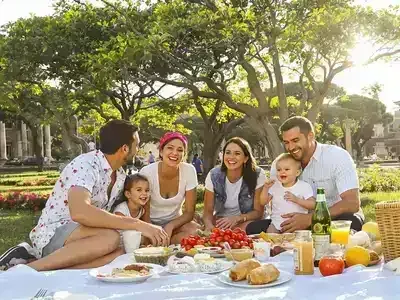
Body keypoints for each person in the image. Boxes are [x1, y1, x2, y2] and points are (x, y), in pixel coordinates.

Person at [0, 119, 168, 271]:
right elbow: (80, 212)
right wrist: (138, 225)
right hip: (54, 232)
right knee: (110, 238)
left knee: (118, 254)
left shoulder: (121, 175)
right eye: (137, 145)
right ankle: (26, 271)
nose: (137, 150)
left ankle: (47, 269)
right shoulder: (86, 165)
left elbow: (125, 207)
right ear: (125, 148)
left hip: (87, 238)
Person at [246, 116, 364, 234]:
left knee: (351, 222)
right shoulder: (279, 164)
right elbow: (270, 199)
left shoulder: (337, 156)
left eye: (295, 140)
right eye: (286, 142)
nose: (290, 147)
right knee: (252, 229)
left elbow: (352, 203)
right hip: (289, 221)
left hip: (331, 218)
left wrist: (311, 219)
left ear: (310, 136)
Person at [139, 132, 200, 245]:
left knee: (195, 231)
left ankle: (167, 244)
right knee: (139, 240)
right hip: (149, 223)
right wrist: (152, 231)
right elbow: (144, 212)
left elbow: (189, 213)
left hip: (176, 223)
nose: (175, 153)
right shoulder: (147, 172)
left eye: (180, 150)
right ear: (161, 151)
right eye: (170, 148)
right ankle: (164, 243)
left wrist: (170, 226)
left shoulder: (189, 170)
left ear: (184, 154)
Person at [202, 137, 266, 232]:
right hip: (222, 221)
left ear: (245, 158)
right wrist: (209, 226)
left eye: (237, 153)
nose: (231, 157)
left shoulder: (257, 174)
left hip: (246, 220)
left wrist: (237, 218)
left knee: (242, 230)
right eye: (227, 153)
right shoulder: (214, 175)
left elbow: (258, 212)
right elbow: (207, 211)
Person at [260, 153, 315, 233]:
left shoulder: (304, 186)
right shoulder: (275, 185)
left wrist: (297, 200)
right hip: (276, 223)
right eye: (279, 170)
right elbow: (263, 202)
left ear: (297, 173)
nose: (282, 172)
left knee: (290, 241)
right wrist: (265, 188)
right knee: (271, 235)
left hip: (295, 225)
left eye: (286, 169)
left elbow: (313, 205)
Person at [113, 173, 151, 249]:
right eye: (139, 190)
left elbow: (146, 225)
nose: (144, 193)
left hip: (131, 243)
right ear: (128, 194)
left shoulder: (142, 210)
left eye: (146, 190)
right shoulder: (121, 210)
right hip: (117, 243)